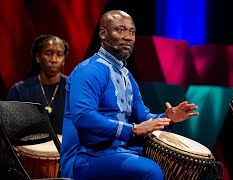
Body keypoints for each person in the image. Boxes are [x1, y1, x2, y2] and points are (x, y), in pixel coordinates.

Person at [60, 10, 199, 180]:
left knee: (175, 164)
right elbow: (84, 117)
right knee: (151, 171)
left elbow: (142, 116)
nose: (128, 37)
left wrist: (168, 118)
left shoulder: (125, 74)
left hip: (118, 151)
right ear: (103, 34)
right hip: (84, 156)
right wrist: (132, 130)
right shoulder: (88, 70)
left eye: (132, 32)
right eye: (120, 30)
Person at [6, 34, 69, 135]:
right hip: (29, 148)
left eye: (59, 54)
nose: (54, 60)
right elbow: (8, 129)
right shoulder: (20, 90)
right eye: (48, 53)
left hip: (65, 149)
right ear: (38, 58)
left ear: (64, 60)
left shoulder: (74, 88)